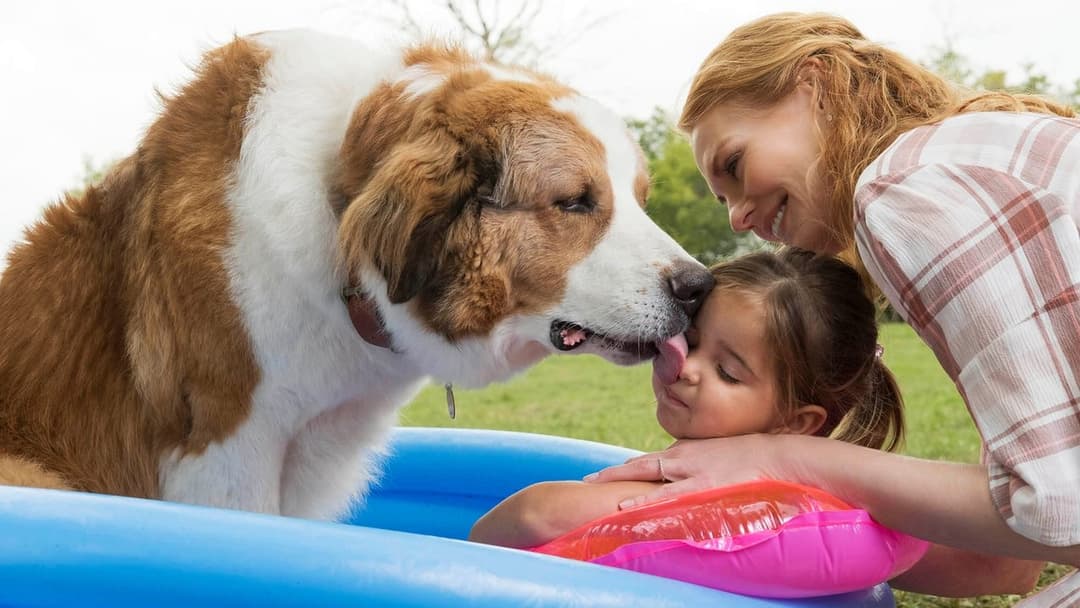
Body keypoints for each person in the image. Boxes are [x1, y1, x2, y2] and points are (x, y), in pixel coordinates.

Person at [586, 12, 1080, 605]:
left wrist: (786, 458)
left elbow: (1056, 516)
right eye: (724, 198)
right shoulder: (970, 148)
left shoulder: (907, 191)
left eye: (736, 166)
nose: (737, 217)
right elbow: (1006, 564)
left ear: (813, 85)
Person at [470, 248, 904, 549]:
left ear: (795, 423)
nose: (689, 368)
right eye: (690, 342)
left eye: (727, 372)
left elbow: (535, 514)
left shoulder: (748, 497)